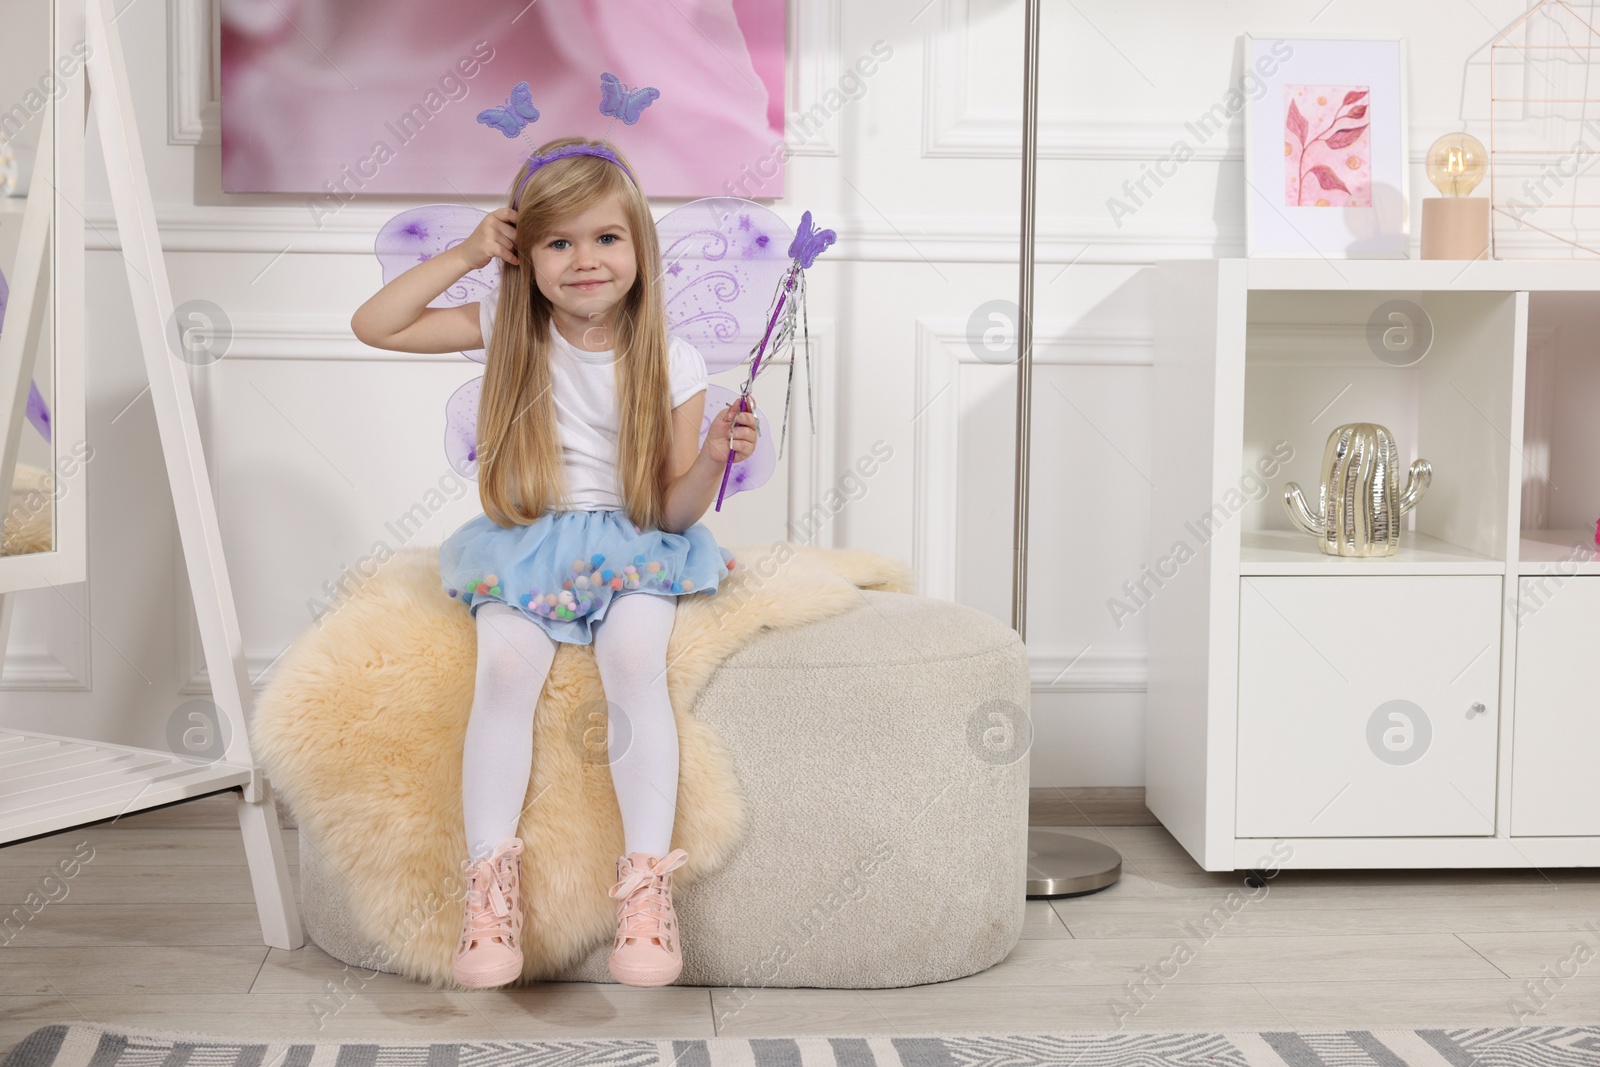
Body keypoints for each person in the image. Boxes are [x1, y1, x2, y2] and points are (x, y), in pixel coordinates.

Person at [350, 135, 757, 991]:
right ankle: (487, 897)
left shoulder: (674, 361)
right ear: (523, 254)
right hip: (530, 539)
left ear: (640, 249)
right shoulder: (506, 325)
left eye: (606, 238)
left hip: (636, 538)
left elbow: (670, 508)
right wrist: (466, 253)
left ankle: (645, 892)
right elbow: (374, 325)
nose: (584, 260)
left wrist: (715, 456)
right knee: (503, 669)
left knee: (637, 661)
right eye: (558, 242)